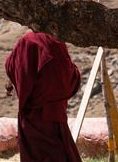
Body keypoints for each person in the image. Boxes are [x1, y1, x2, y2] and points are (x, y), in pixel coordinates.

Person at [5, 31, 82, 162]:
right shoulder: (56, 41)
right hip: (56, 111)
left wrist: (13, 82)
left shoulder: (28, 41)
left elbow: (17, 67)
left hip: (34, 112)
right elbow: (69, 75)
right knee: (61, 151)